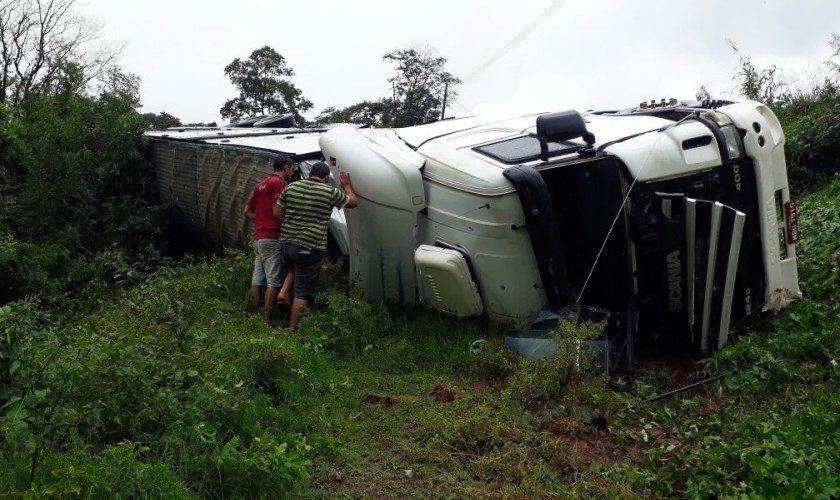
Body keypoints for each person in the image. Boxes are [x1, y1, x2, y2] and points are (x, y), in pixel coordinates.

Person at [273, 161, 358, 329]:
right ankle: (292, 330)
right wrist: (346, 186)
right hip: (309, 247)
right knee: (302, 293)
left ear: (311, 173)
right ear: (325, 177)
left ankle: (283, 292)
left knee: (293, 269)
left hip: (286, 243)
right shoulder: (330, 191)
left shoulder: (291, 187)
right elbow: (353, 202)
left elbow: (277, 214)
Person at [242, 154, 294, 325]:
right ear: (286, 167)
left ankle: (253, 315)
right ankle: (266, 319)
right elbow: (278, 212)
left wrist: (261, 223)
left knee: (257, 280)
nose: (292, 172)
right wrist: (277, 225)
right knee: (273, 281)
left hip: (259, 239)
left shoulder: (260, 185)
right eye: (292, 168)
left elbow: (246, 212)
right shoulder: (279, 184)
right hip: (272, 238)